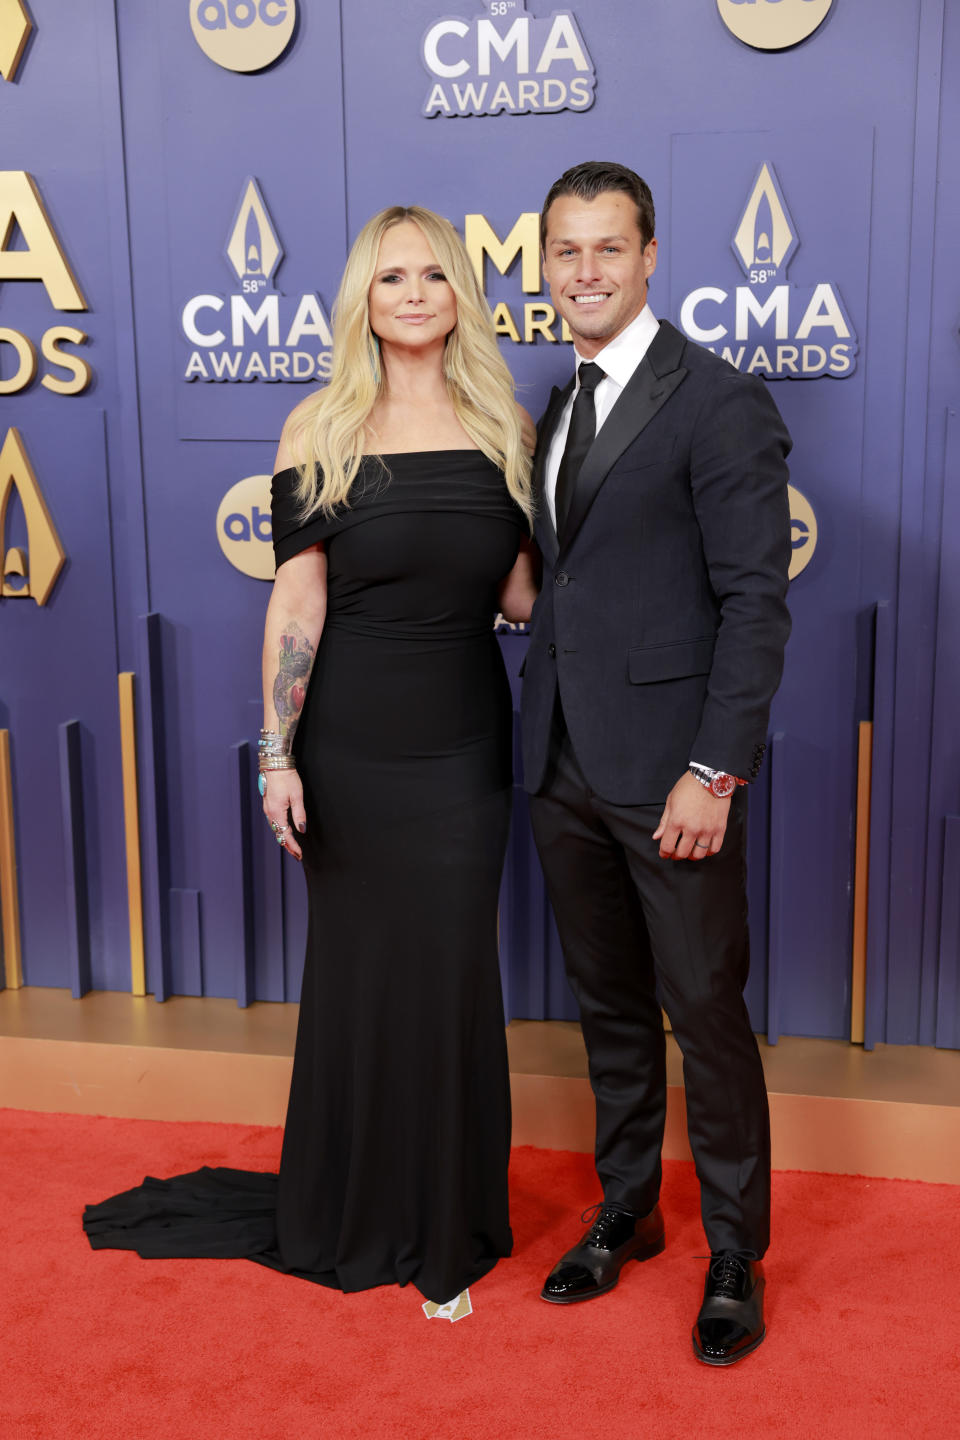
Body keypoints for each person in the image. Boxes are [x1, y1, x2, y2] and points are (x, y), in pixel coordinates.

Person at [84, 206, 538, 1307]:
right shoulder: (319, 427)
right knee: (360, 977)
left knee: (450, 976)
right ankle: (359, 1207)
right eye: (393, 278)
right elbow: (298, 601)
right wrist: (276, 756)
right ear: (364, 302)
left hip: (466, 745)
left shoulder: (504, 426)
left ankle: (443, 1225)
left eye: (436, 274)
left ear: (461, 296)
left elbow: (522, 596)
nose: (417, 293)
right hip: (350, 743)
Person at [521, 162, 792, 1365]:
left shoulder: (717, 400)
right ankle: (628, 1208)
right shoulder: (553, 402)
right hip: (562, 762)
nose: (586, 271)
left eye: (607, 250)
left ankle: (735, 1250)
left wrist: (714, 771)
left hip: (671, 773)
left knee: (706, 1015)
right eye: (565, 252)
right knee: (612, 1011)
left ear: (649, 258)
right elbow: (567, 575)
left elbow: (756, 606)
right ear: (544, 265)